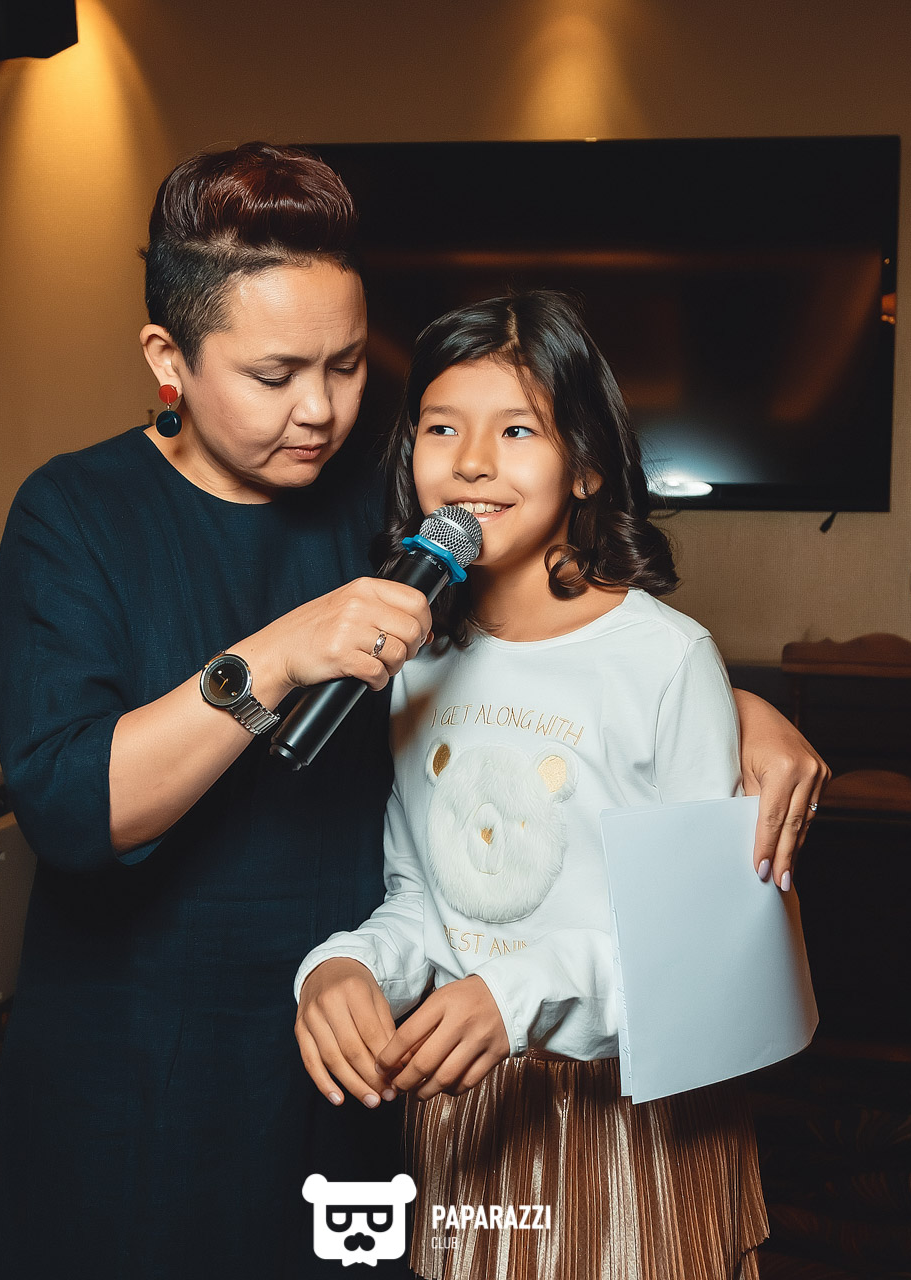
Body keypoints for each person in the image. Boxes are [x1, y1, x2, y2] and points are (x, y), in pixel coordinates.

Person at [0, 145, 825, 1278]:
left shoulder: (384, 500)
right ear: (168, 357)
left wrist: (735, 707)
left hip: (379, 1056)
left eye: (345, 365)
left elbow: (542, 643)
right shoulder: (72, 514)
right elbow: (74, 808)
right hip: (143, 1053)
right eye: (275, 374)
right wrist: (279, 654)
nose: (320, 410)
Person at [295, 292, 774, 1279]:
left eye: (516, 430)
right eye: (441, 428)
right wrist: (348, 967)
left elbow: (698, 963)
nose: (472, 461)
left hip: (631, 1127)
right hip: (469, 1118)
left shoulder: (667, 660)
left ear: (586, 463)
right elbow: (430, 896)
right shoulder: (417, 660)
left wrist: (517, 996)